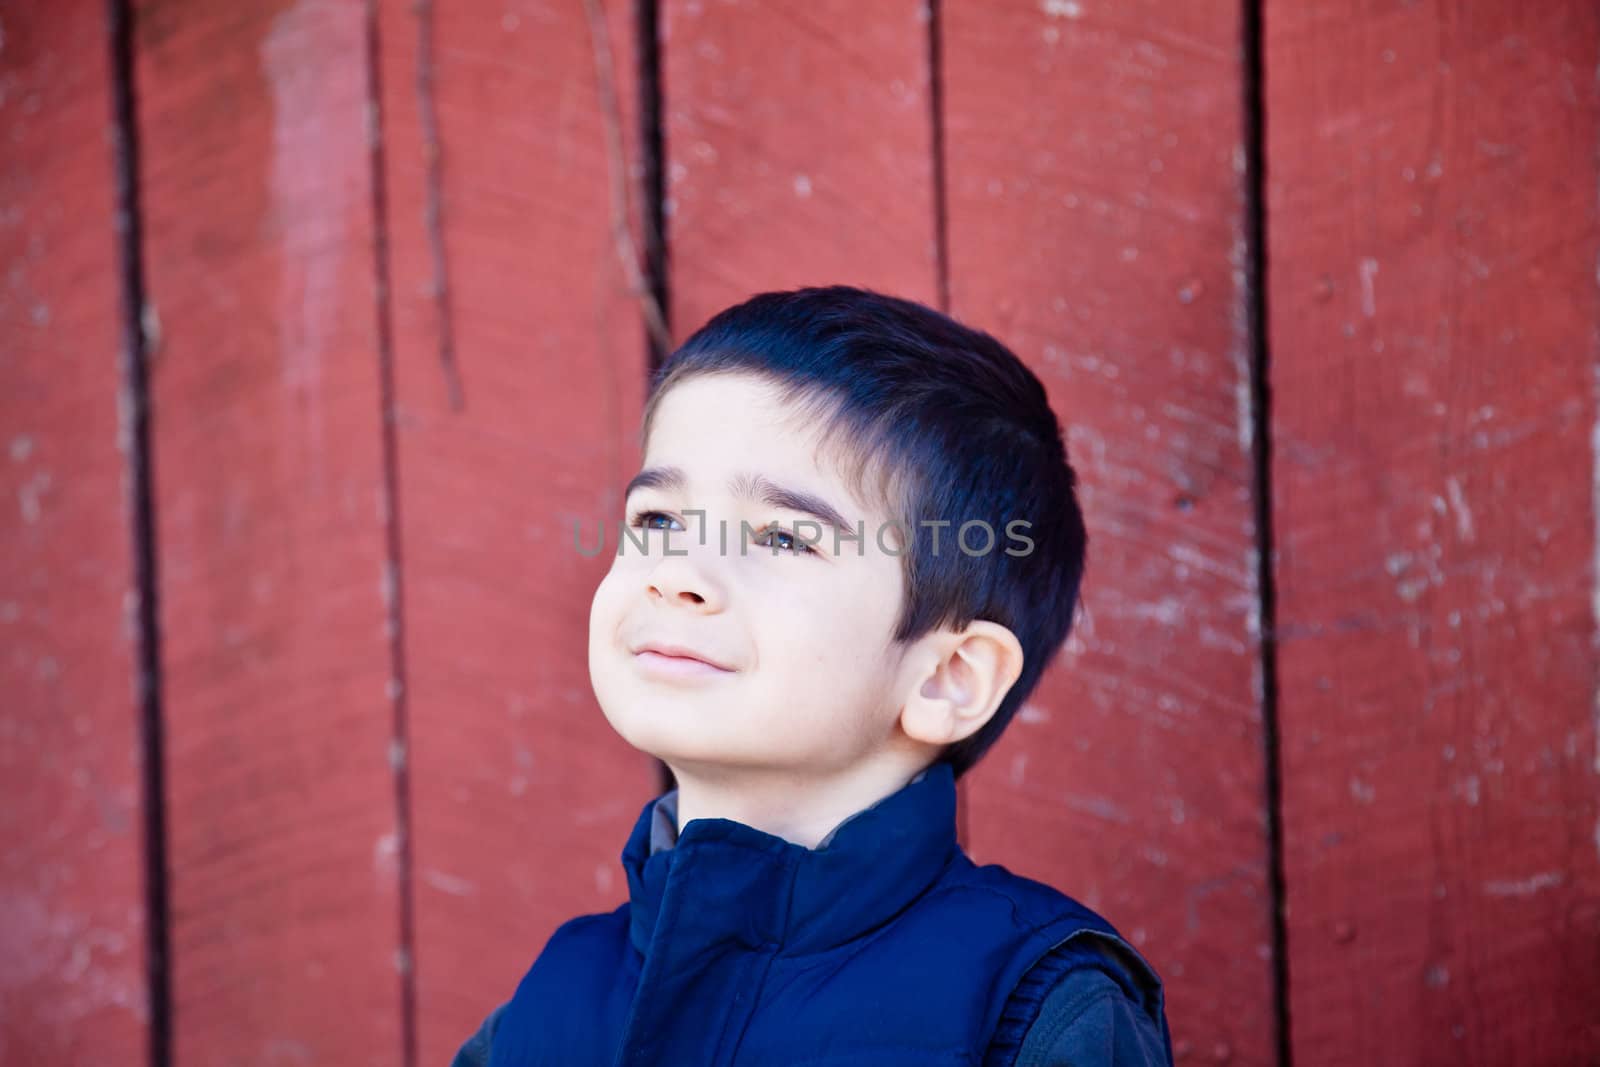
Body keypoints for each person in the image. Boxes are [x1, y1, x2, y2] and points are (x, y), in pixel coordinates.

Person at [451, 286, 1175, 1066]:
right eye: (657, 520)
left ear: (948, 677)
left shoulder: (1037, 1011)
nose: (676, 574)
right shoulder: (543, 1012)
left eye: (784, 538)